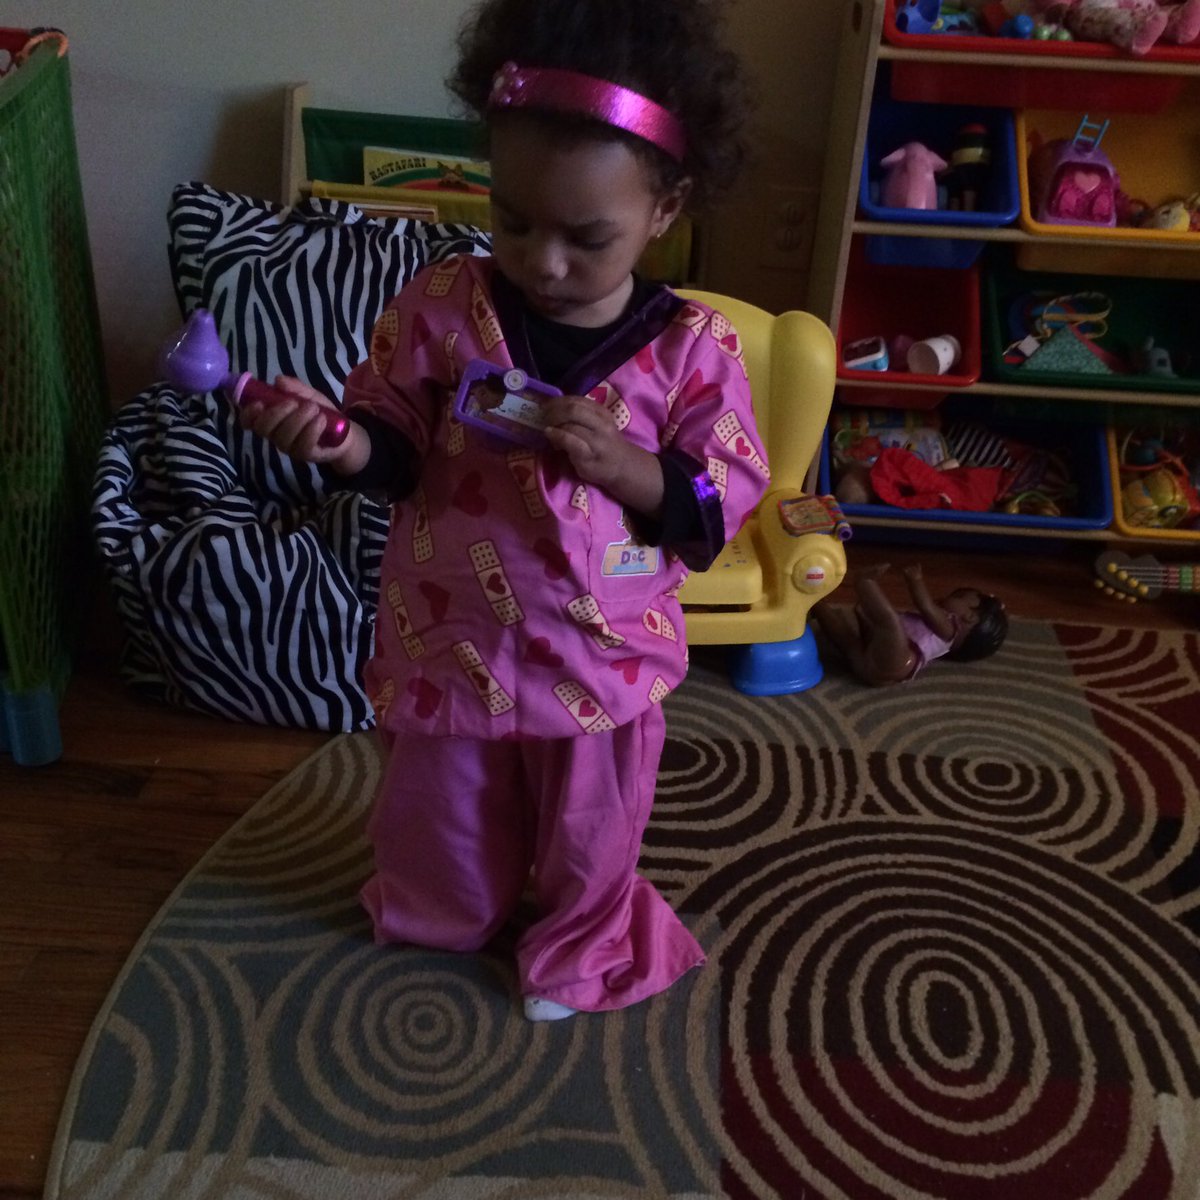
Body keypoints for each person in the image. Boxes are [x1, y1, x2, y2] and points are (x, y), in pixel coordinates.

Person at [237, 0, 766, 1020]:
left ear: (664, 210)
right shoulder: (442, 304)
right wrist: (337, 441)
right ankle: (444, 912)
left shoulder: (695, 354)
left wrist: (630, 468)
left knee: (589, 830)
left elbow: (719, 500)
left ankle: (581, 946)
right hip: (452, 636)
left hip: (600, 660)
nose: (544, 262)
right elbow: (390, 444)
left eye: (587, 237)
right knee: (439, 809)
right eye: (514, 221)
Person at [818, 563, 1008, 686]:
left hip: (896, 663)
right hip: (876, 669)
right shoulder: (940, 635)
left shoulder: (950, 630)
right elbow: (885, 638)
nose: (945, 598)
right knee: (848, 640)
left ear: (969, 617)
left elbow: (925, 606)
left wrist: (915, 580)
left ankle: (864, 582)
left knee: (891, 621)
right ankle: (817, 605)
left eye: (958, 597)